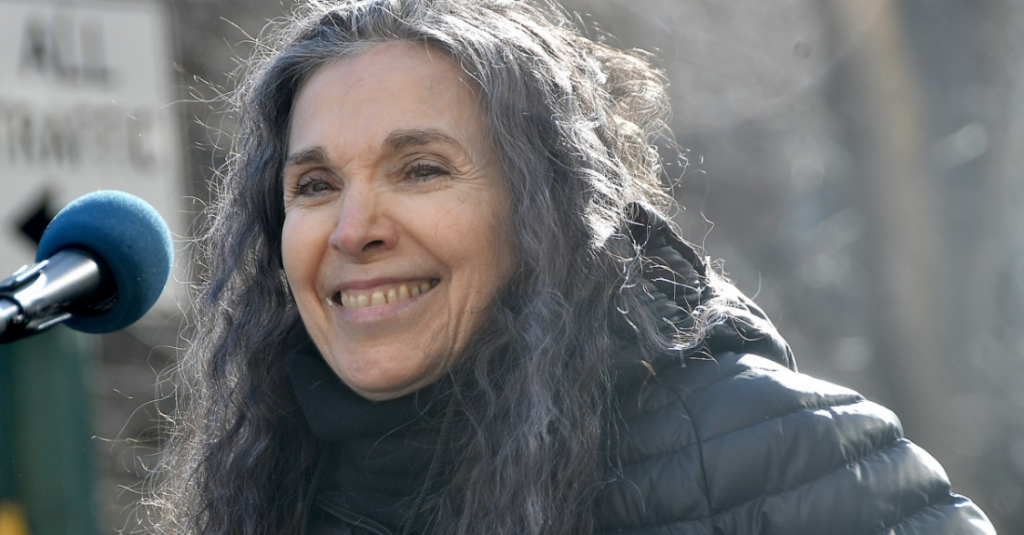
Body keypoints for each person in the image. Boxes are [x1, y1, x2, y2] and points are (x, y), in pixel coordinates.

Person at [150, 1, 997, 534]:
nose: (353, 228)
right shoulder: (274, 489)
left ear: (545, 211)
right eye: (316, 184)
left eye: (421, 169)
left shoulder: (790, 456)